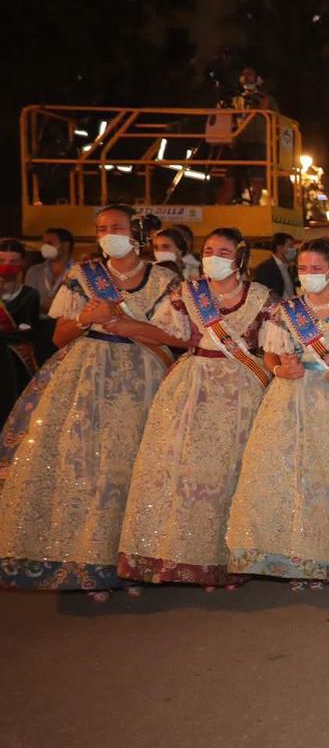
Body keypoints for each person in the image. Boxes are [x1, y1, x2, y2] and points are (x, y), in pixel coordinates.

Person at [0, 205, 184, 595]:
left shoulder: (164, 279)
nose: (108, 234)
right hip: (87, 378)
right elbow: (59, 337)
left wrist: (122, 322)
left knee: (137, 470)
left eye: (115, 227)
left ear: (135, 232)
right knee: (87, 468)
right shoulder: (82, 277)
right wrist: (85, 317)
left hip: (143, 378)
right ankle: (89, 561)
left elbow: (174, 336)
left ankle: (135, 561)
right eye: (101, 228)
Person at [118, 228, 275, 587]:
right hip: (192, 386)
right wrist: (121, 323)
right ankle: (183, 555)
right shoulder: (187, 292)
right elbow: (173, 334)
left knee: (231, 474)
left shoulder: (264, 298)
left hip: (243, 390)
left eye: (223, 251)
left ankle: (229, 560)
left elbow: (273, 347)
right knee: (185, 472)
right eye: (208, 250)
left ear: (239, 256)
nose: (213, 257)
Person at [226, 239, 329, 588]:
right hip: (291, 399)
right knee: (289, 478)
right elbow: (270, 355)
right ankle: (291, 558)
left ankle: (324, 556)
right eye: (303, 269)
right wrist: (281, 369)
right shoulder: (285, 311)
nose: (309, 275)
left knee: (328, 481)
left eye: (317, 269)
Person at [0, 240, 41, 421]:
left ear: (22, 263)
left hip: (14, 358)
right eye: (2, 261)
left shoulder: (30, 295)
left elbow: (30, 329)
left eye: (13, 261)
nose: (7, 266)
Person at [25, 227, 72, 364]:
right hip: (39, 328)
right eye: (43, 243)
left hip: (63, 327)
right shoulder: (35, 271)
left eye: (50, 243)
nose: (45, 247)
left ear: (65, 245)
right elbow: (27, 302)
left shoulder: (78, 272)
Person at [252, 232, 298, 299]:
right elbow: (261, 294)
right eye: (290, 246)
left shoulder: (287, 267)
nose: (293, 250)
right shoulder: (265, 268)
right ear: (279, 247)